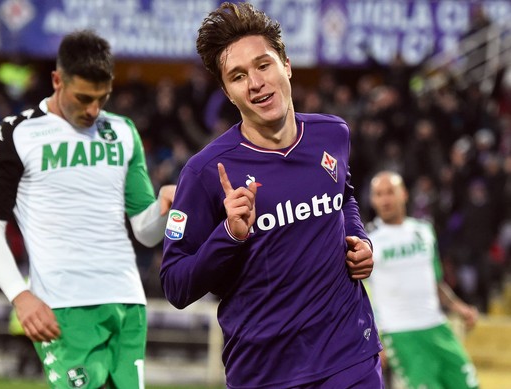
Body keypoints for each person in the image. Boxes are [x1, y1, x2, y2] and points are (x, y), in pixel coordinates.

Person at [160, 3, 383, 388]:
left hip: (350, 357)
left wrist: (358, 239)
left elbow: (343, 196)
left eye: (263, 65)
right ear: (228, 92)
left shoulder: (334, 134)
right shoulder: (204, 173)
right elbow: (176, 285)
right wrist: (229, 234)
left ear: (287, 65)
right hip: (265, 373)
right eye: (238, 76)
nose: (256, 83)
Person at [0, 30, 175, 389]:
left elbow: (145, 232)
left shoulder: (123, 131)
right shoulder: (17, 133)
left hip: (126, 303)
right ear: (56, 80)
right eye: (83, 98)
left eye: (102, 98)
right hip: (62, 308)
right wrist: (20, 297)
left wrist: (163, 206)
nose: (94, 110)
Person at [366, 171, 480, 389]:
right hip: (401, 334)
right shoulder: (367, 240)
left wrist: (459, 307)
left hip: (438, 328)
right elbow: (358, 296)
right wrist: (373, 340)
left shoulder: (424, 232)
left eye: (390, 192)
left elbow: (435, 283)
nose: (385, 199)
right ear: (372, 200)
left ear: (404, 194)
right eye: (378, 194)